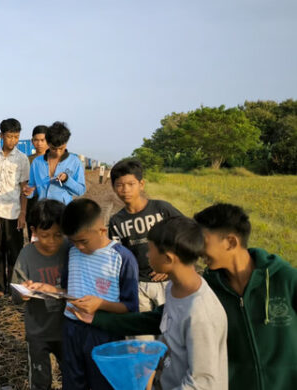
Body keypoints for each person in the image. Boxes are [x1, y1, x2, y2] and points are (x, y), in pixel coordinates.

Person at [89, 203, 297, 390]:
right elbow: (160, 318)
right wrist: (99, 319)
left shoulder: (284, 278)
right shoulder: (209, 285)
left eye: (202, 240)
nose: (195, 247)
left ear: (231, 242)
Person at [71, 216, 229, 389]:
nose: (147, 255)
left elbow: (202, 383)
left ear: (168, 259)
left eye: (150, 250)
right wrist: (98, 319)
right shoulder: (174, 288)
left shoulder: (199, 313)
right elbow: (158, 323)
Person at [29, 198, 139, 390]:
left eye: (83, 241)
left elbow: (130, 308)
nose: (78, 247)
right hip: (72, 329)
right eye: (72, 241)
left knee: (102, 382)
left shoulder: (122, 259)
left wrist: (100, 305)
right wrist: (51, 290)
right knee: (72, 381)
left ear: (102, 231)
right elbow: (69, 291)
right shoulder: (72, 252)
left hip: (104, 333)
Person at [108, 158, 182, 339]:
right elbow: (118, 256)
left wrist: (172, 266)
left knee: (170, 336)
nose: (125, 190)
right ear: (113, 187)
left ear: (141, 184)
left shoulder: (162, 210)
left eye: (130, 184)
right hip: (137, 284)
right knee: (142, 339)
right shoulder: (116, 221)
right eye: (119, 185)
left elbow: (187, 233)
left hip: (167, 283)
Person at [11, 199, 67, 390]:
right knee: (40, 379)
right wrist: (24, 292)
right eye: (45, 235)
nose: (52, 241)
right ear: (33, 231)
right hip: (38, 332)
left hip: (67, 330)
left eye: (58, 235)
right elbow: (15, 293)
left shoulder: (70, 249)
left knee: (72, 374)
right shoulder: (27, 255)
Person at [0, 118, 30, 298]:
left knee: (15, 252)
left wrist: (23, 212)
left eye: (16, 137)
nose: (13, 140)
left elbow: (24, 188)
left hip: (13, 212)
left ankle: (15, 287)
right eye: (9, 136)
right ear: (1, 136)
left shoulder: (22, 159)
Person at [24, 121, 86, 206]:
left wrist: (67, 180)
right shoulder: (37, 162)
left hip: (63, 212)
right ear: (48, 143)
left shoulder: (74, 162)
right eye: (53, 149)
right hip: (42, 212)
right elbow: (32, 187)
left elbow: (80, 191)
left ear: (66, 143)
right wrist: (28, 191)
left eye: (61, 148)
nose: (58, 153)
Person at [26, 125, 48, 241]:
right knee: (34, 242)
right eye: (36, 140)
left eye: (42, 140)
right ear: (32, 141)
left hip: (49, 208)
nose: (39, 143)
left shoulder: (54, 159)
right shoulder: (28, 160)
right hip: (32, 208)